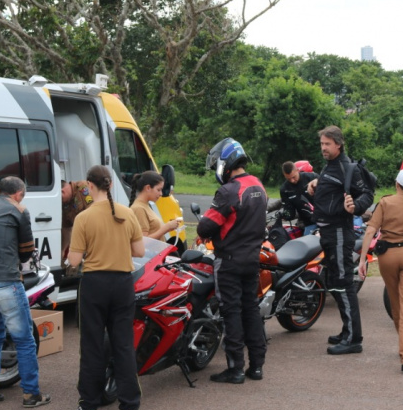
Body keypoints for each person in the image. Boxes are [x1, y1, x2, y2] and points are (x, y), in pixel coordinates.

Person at [68, 165, 144, 410]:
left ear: (89, 185)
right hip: (123, 282)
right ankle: (130, 407)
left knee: (92, 345)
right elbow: (139, 251)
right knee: (123, 344)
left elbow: (74, 261)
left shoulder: (84, 217)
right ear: (110, 184)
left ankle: (89, 405)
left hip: (94, 284)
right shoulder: (127, 213)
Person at [0, 176, 51, 409]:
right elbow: (26, 252)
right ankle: (31, 394)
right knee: (24, 340)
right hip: (6, 281)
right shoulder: (19, 211)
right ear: (18, 195)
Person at [198, 138, 268, 384]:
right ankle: (256, 366)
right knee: (251, 310)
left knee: (231, 313)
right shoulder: (258, 184)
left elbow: (205, 226)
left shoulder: (228, 191)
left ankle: (235, 368)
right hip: (252, 259)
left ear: (225, 162)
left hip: (229, 261)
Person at [307, 126, 374, 355]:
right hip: (326, 231)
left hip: (339, 232)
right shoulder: (330, 165)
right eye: (322, 144)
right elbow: (332, 190)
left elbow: (367, 194)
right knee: (334, 283)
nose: (323, 148)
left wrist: (356, 207)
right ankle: (347, 331)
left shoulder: (347, 167)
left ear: (338, 144)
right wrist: (315, 185)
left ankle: (354, 339)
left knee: (343, 283)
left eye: (327, 144)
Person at [358, 169, 403, 373]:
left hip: (387, 257)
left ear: (396, 184)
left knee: (396, 302)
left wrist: (362, 260)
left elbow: (370, 231)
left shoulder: (385, 202)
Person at [129, 170, 182, 240]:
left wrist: (168, 228)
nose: (161, 194)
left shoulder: (145, 205)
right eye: (158, 190)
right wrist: (166, 227)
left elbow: (153, 231)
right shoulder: (139, 208)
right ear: (148, 188)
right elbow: (143, 241)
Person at [61, 179, 93, 271]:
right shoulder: (65, 204)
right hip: (83, 239)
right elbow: (67, 229)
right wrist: (63, 250)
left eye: (61, 198)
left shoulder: (82, 188)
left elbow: (93, 214)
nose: (61, 201)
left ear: (62, 191)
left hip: (94, 236)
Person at [280, 160, 319, 235]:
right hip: (309, 223)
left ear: (297, 170)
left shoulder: (312, 177)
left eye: (294, 177)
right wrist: (285, 214)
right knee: (308, 241)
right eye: (289, 179)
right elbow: (289, 212)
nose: (292, 180)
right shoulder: (284, 189)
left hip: (325, 219)